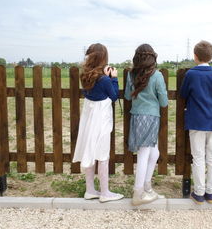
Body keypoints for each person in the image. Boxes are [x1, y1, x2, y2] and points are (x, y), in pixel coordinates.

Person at [72, 43, 124, 203]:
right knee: (102, 155)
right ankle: (105, 192)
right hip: (101, 120)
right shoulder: (103, 80)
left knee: (89, 151)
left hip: (88, 119)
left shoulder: (85, 75)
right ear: (103, 58)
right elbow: (114, 96)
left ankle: (90, 189)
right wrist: (114, 78)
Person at [180, 40, 212, 204]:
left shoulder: (191, 74)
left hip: (196, 120)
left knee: (198, 157)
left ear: (195, 56)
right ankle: (211, 192)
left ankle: (199, 192)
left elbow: (183, 93)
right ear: (211, 56)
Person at [124, 44, 168, 206]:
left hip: (137, 116)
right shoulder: (157, 75)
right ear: (152, 57)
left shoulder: (131, 74)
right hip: (150, 117)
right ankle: (138, 192)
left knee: (154, 153)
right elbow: (163, 101)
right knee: (144, 154)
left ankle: (147, 187)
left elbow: (128, 97)